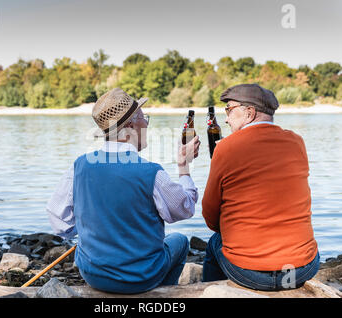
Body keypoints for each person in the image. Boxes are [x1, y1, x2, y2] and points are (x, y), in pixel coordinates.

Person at [46, 87, 201, 294]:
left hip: (93, 274)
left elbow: (59, 223)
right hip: (139, 278)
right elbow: (185, 208)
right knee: (180, 241)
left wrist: (90, 229)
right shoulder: (151, 172)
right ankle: (160, 295)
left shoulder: (79, 166)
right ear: (130, 125)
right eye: (144, 118)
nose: (146, 123)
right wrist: (184, 166)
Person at [201, 83, 319, 291]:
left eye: (229, 110)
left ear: (249, 112)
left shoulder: (227, 147)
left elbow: (210, 216)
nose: (226, 118)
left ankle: (213, 292)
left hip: (249, 273)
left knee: (214, 242)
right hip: (300, 269)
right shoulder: (297, 142)